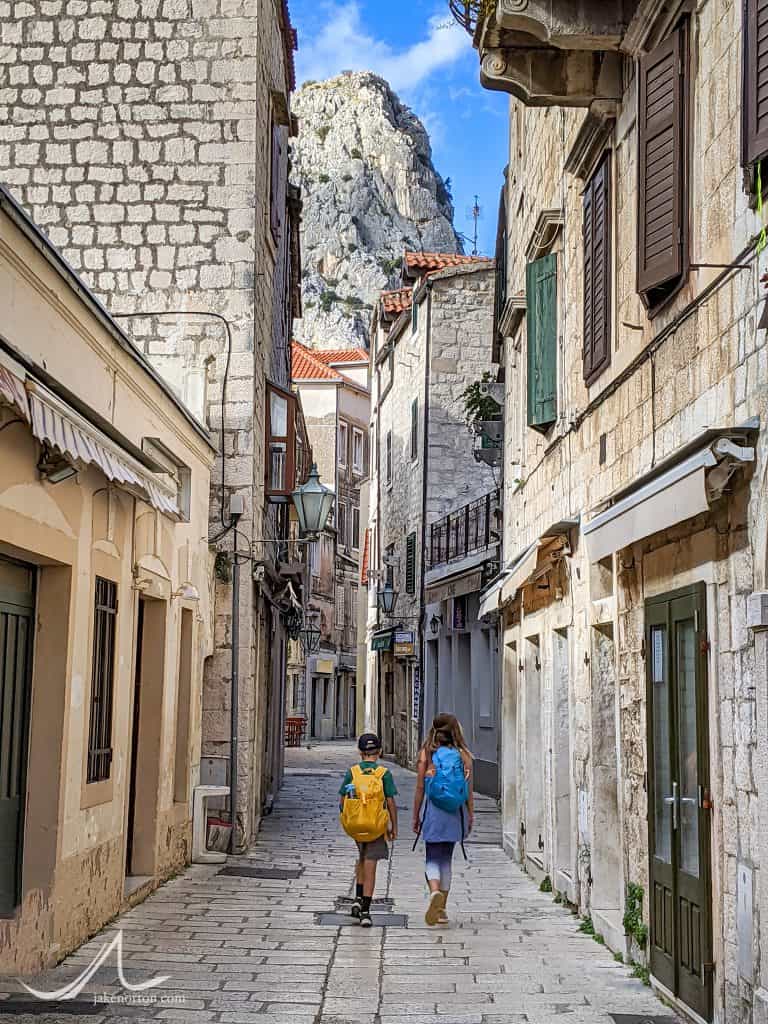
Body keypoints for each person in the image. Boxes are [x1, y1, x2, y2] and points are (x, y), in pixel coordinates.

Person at [412, 713, 473, 926]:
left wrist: (415, 815)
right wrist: (470, 815)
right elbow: (468, 790)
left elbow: (420, 787)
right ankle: (442, 909)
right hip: (455, 812)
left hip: (433, 812)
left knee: (432, 857)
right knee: (446, 859)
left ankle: (434, 892)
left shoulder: (426, 754)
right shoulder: (463, 755)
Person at [339, 732, 398, 928]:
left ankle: (357, 897)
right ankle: (365, 910)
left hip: (356, 826)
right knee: (371, 864)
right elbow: (390, 803)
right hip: (375, 827)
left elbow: (342, 801)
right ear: (379, 751)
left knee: (362, 858)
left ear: (360, 752)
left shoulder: (352, 772)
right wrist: (392, 827)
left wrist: (349, 819)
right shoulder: (383, 774)